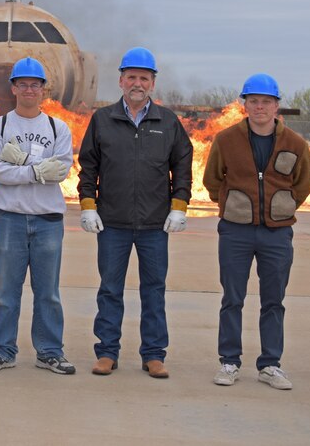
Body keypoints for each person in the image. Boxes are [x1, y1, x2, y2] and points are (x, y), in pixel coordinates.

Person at [78, 47, 192, 379]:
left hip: (156, 225)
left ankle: (154, 355)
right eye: (131, 77)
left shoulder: (168, 122)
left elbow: (182, 169)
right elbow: (88, 168)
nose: (137, 83)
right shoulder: (103, 120)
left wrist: (179, 207)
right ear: (121, 81)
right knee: (110, 288)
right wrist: (88, 206)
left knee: (154, 289)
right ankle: (107, 353)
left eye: (144, 78)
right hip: (111, 223)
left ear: (153, 84)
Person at [203, 74, 310, 390]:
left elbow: (302, 184)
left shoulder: (295, 143)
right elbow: (213, 181)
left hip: (277, 234)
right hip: (235, 232)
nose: (260, 107)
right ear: (245, 104)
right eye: (254, 101)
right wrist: (233, 206)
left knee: (274, 300)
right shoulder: (226, 140)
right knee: (232, 298)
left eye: (266, 101)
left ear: (277, 106)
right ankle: (229, 361)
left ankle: (270, 365)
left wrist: (282, 206)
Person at [0, 57, 77, 375]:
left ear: (43, 89)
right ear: (14, 88)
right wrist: (38, 169)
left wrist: (20, 163)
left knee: (48, 292)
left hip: (48, 220)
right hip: (8, 218)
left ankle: (49, 351)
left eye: (35, 84)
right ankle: (3, 350)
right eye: (23, 84)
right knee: (6, 292)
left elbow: (61, 171)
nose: (29, 89)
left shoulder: (57, 127)